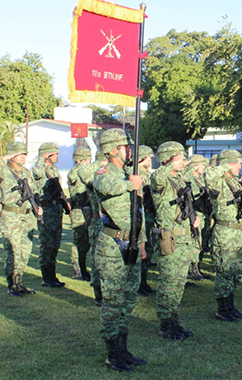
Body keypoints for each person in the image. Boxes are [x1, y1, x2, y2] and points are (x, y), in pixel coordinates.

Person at [92, 129, 146, 372]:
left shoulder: (129, 174)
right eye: (126, 146)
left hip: (132, 242)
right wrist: (130, 184)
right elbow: (103, 185)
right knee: (113, 300)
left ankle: (124, 349)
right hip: (113, 246)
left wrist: (142, 242)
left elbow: (138, 214)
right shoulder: (105, 172)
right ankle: (112, 353)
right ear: (113, 149)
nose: (130, 150)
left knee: (128, 298)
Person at [151, 141, 199, 340]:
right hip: (169, 237)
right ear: (168, 159)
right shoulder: (160, 179)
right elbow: (157, 177)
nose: (183, 162)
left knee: (179, 283)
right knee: (168, 283)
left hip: (184, 238)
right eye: (180, 159)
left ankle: (174, 320)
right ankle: (165, 324)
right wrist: (171, 161)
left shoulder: (179, 180)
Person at [0, 141, 43, 297]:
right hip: (11, 216)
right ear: (12, 156)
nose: (23, 157)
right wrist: (3, 158)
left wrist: (38, 206)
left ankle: (19, 282)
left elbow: (34, 191)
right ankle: (12, 285)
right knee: (13, 251)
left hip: (27, 215)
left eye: (25, 154)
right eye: (20, 154)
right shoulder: (3, 170)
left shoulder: (27, 172)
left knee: (25, 250)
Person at [206, 149, 242, 320]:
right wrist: (223, 166)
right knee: (225, 271)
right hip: (225, 232)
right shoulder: (219, 181)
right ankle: (222, 309)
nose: (239, 167)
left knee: (236, 271)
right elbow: (208, 178)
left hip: (238, 231)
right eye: (236, 163)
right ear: (227, 164)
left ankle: (231, 307)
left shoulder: (235, 182)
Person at [32, 142, 70, 287]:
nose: (57, 156)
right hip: (46, 211)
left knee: (55, 244)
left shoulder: (53, 170)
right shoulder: (41, 169)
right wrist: (41, 158)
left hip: (56, 210)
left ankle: (52, 275)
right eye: (54, 154)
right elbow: (36, 172)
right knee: (47, 243)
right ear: (47, 155)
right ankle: (46, 277)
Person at [78, 150, 108, 306]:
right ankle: (99, 294)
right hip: (98, 221)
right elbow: (82, 172)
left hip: (111, 222)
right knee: (98, 260)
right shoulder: (95, 175)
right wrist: (101, 163)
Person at [183, 154, 212, 282]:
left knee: (201, 242)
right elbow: (192, 199)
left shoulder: (199, 179)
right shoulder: (189, 179)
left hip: (202, 213)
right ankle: (192, 269)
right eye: (202, 165)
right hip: (195, 214)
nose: (204, 167)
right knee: (195, 242)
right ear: (195, 166)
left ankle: (197, 267)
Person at [67, 147, 93, 281]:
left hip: (87, 209)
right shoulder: (75, 172)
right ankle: (77, 270)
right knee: (79, 241)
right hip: (78, 210)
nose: (89, 162)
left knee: (86, 241)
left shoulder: (84, 170)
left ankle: (83, 269)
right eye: (86, 159)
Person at [135, 145, 157, 297]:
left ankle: (144, 282)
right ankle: (138, 284)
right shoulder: (137, 175)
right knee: (141, 251)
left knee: (148, 250)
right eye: (148, 157)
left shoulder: (147, 174)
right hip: (142, 216)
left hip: (150, 216)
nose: (150, 160)